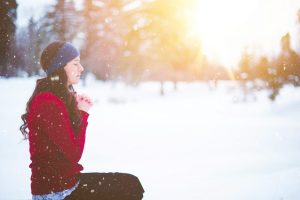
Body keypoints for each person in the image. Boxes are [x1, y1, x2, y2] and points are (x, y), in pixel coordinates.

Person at [20, 41, 144, 200]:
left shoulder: (56, 98)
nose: (81, 68)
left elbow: (67, 147)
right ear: (61, 66)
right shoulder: (48, 102)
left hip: (65, 185)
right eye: (75, 64)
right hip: (56, 193)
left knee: (130, 184)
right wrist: (83, 113)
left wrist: (76, 111)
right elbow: (74, 154)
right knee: (129, 187)